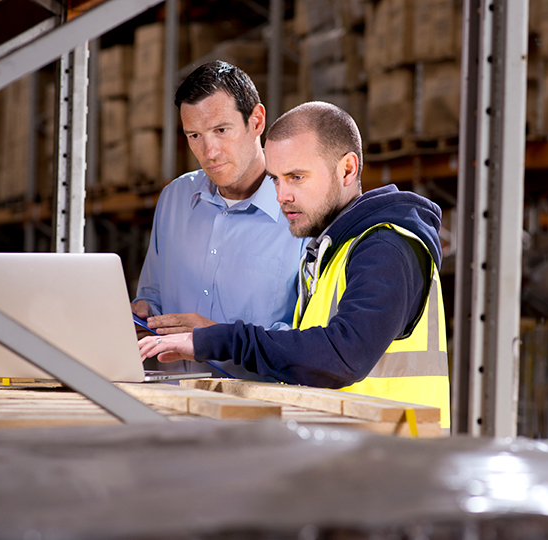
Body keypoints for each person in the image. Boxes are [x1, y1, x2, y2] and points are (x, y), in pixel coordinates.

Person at [139, 101, 450, 425]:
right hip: (355, 457)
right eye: (275, 179)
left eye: (296, 177)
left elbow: (342, 356)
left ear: (347, 169)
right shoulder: (332, 253)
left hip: (396, 461)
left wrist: (216, 339)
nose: (281, 196)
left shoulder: (387, 248)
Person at [132, 61, 304, 379]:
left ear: (257, 121)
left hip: (263, 413)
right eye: (194, 135)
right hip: (176, 404)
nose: (209, 151)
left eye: (221, 131)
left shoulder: (300, 212)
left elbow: (310, 341)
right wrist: (144, 316)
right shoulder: (174, 199)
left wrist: (217, 337)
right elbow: (152, 295)